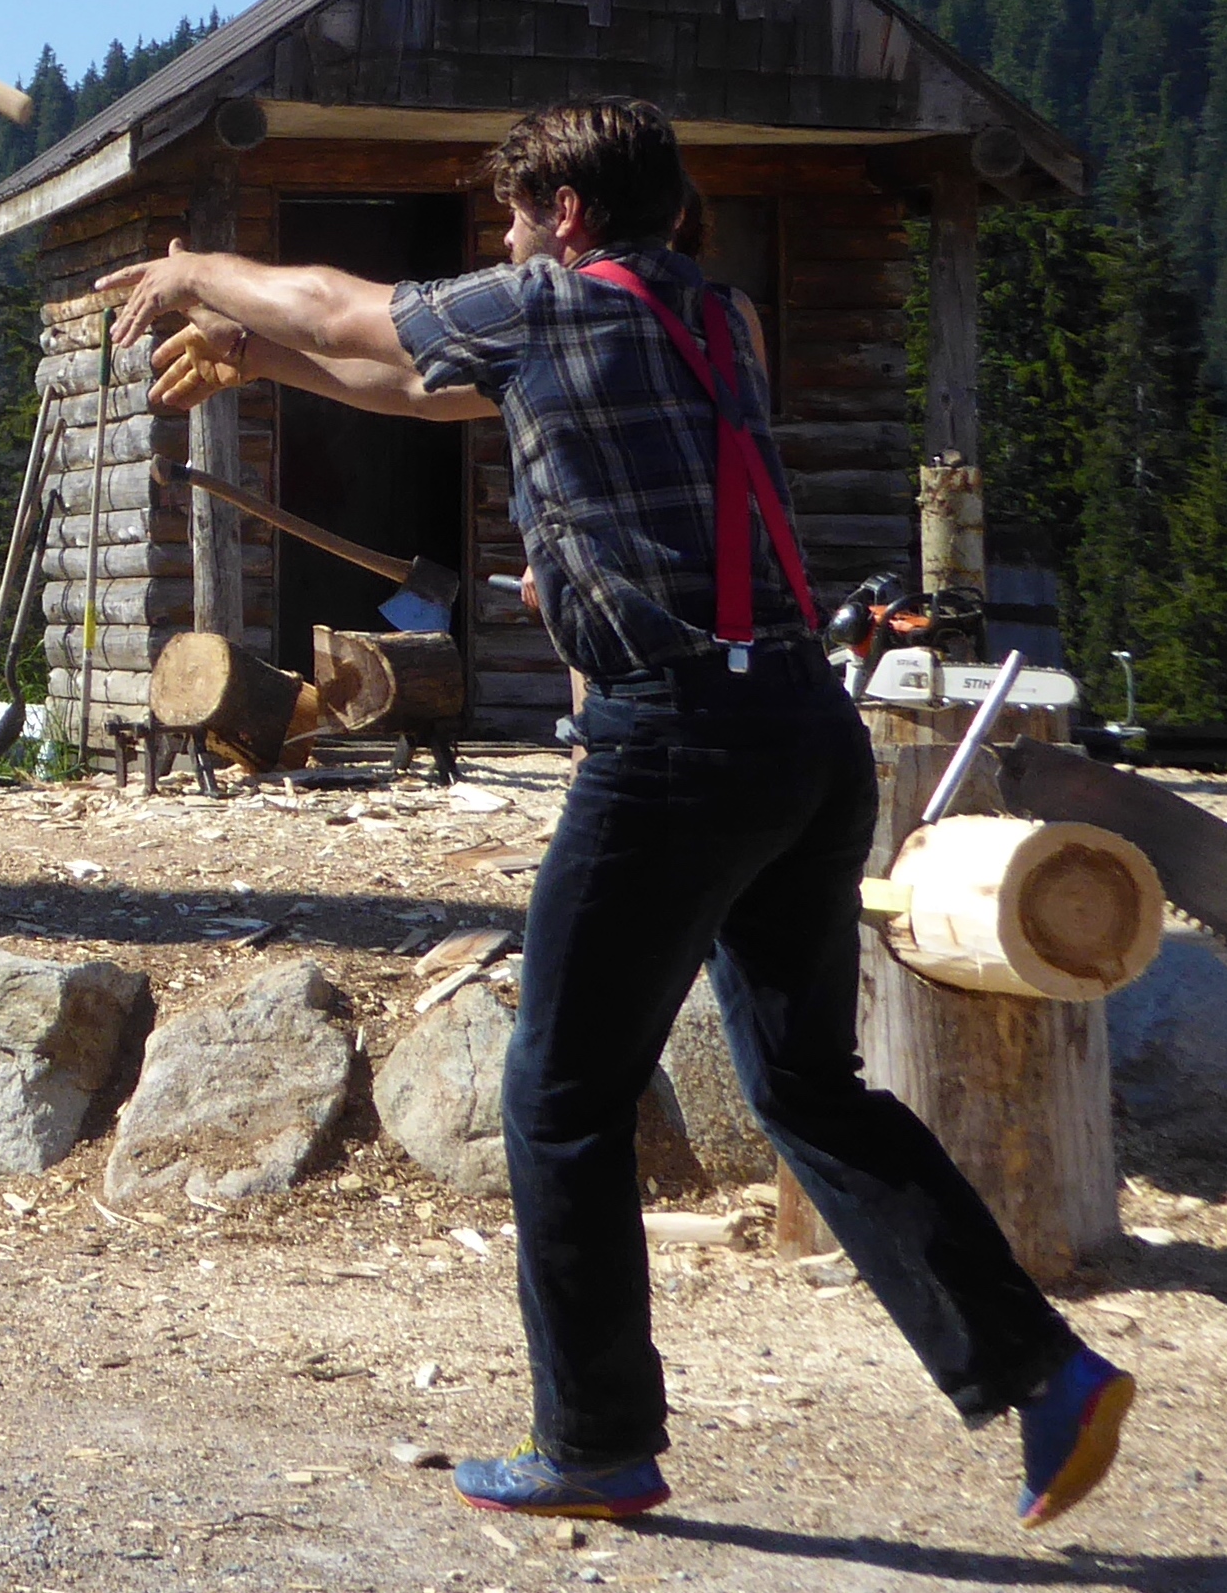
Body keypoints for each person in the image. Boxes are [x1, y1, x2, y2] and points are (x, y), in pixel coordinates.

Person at [100, 97, 1130, 1529]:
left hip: (675, 742)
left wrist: (195, 273)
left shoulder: (553, 304)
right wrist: (262, 356)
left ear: (567, 215)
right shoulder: (718, 317)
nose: (504, 244)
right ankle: (1044, 1373)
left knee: (560, 1092)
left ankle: (596, 1442)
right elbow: (435, 388)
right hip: (801, 730)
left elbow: (353, 308)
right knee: (808, 1085)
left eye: (515, 219)